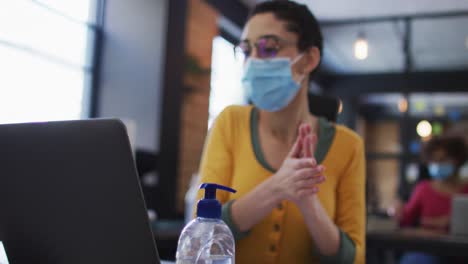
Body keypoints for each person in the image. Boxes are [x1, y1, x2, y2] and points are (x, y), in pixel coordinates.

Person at [196, 1, 365, 263]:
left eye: (268, 48)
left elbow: (353, 257)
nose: (252, 61)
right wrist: (277, 188)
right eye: (246, 50)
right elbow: (201, 235)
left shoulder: (349, 146)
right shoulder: (230, 123)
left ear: (309, 59)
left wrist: (310, 205)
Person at [398, 136, 468, 264]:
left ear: (457, 160)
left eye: (443, 160)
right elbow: (404, 221)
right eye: (433, 161)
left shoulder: (466, 190)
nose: (437, 165)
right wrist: (397, 211)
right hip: (427, 251)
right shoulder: (423, 189)